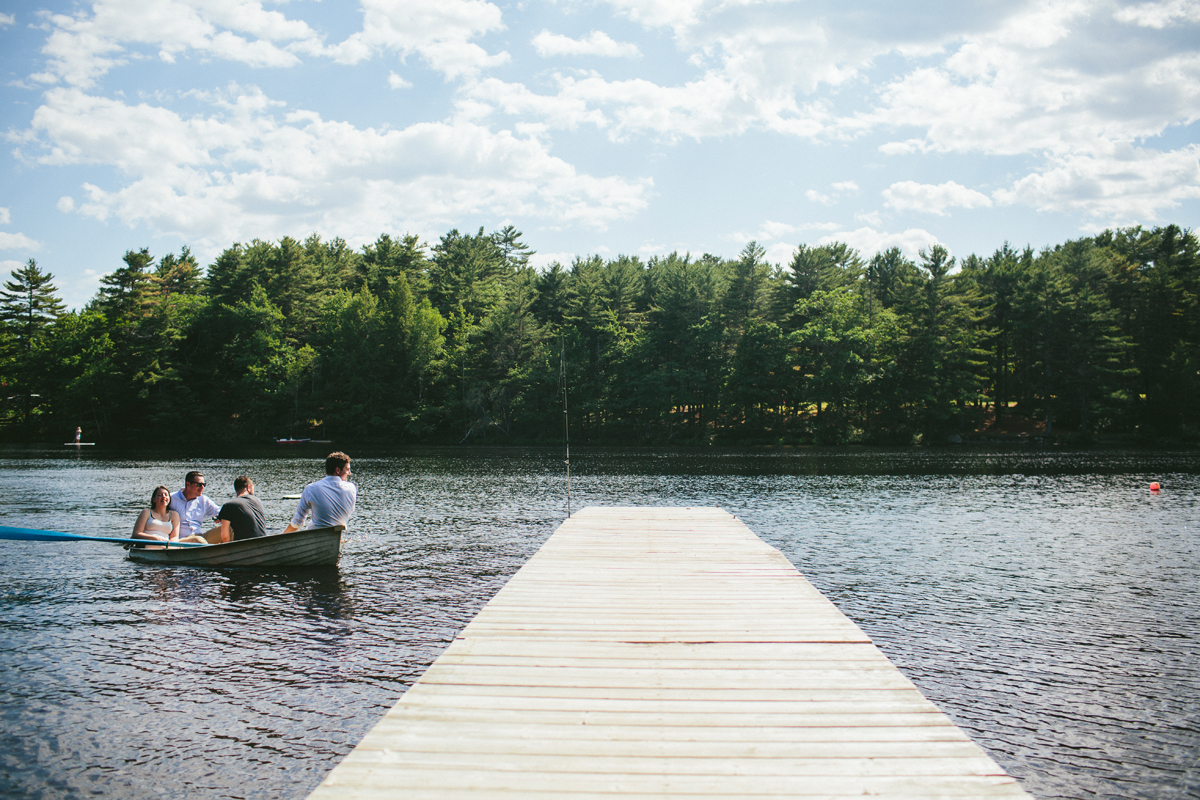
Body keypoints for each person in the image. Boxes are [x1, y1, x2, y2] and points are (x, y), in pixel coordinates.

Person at [283, 451, 356, 532]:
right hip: (338, 535)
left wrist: (281, 539)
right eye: (347, 470)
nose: (349, 473)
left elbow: (297, 523)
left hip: (314, 537)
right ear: (337, 470)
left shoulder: (311, 488)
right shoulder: (351, 488)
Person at [169, 471, 221, 543]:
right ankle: (209, 552)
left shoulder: (204, 500)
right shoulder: (170, 498)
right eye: (199, 484)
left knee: (227, 529)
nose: (202, 487)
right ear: (188, 484)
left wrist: (220, 516)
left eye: (204, 484)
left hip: (199, 536)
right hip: (180, 539)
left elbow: (221, 512)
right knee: (199, 540)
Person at [214, 476, 268, 543]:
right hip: (263, 542)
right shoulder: (258, 501)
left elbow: (225, 536)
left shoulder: (228, 505)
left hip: (243, 546)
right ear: (248, 487)